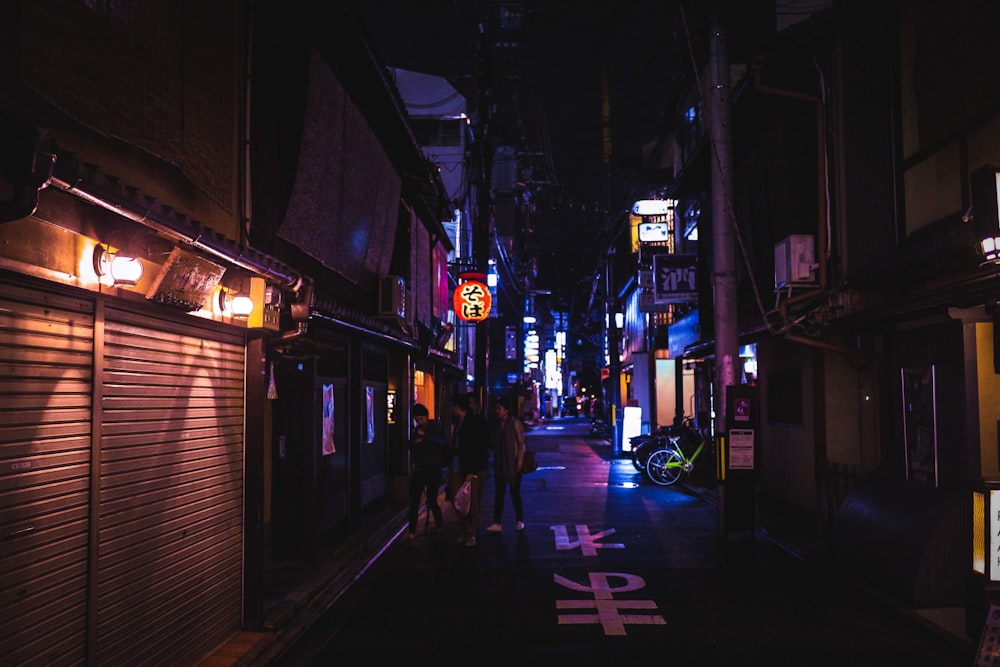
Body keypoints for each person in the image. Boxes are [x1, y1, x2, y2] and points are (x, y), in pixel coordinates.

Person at [407, 403, 450, 540]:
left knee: (432, 500)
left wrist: (425, 437)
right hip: (420, 469)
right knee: (414, 501)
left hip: (433, 469)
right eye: (417, 420)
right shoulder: (417, 430)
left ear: (426, 417)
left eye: (421, 419)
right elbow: (411, 445)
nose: (419, 422)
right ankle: (412, 532)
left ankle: (439, 526)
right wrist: (414, 443)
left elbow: (443, 442)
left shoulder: (435, 428)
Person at [451, 394, 490, 546]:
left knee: (471, 503)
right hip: (461, 467)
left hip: (471, 469)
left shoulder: (472, 423)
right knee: (458, 500)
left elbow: (475, 447)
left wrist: (472, 470)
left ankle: (471, 533)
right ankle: (467, 529)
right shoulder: (461, 422)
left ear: (458, 407)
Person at [486, 397, 526, 534]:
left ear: (506, 410)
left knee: (515, 494)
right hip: (500, 464)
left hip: (513, 464)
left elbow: (521, 444)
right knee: (499, 494)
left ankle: (519, 520)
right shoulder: (497, 425)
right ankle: (497, 523)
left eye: (499, 408)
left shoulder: (514, 423)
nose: (497, 411)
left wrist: (519, 462)